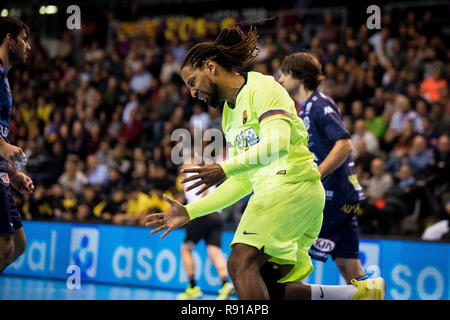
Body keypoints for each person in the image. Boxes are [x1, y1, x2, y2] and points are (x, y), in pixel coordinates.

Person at [146, 26, 384, 300]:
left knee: (239, 263)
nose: (192, 92)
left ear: (210, 67)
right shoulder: (227, 115)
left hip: (290, 185)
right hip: (284, 194)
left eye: (192, 81)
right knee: (271, 285)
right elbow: (243, 180)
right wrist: (190, 212)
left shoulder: (263, 87)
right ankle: (357, 295)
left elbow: (277, 144)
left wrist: (224, 167)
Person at [278, 52, 374, 284]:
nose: (280, 80)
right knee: (348, 265)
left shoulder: (320, 104)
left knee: (286, 260)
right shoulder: (305, 108)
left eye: (285, 74)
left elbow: (344, 144)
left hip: (330, 197)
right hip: (341, 196)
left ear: (299, 76)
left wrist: (315, 175)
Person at [0, 17, 34, 273]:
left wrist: (13, 174)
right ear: (9, 40)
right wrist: (3, 147)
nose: (28, 46)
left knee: (19, 244)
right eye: (23, 39)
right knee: (4, 245)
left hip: (1, 171)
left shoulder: (4, 77)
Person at [177, 156, 234, 300]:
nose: (182, 165)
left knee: (185, 249)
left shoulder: (191, 170)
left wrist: (201, 204)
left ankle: (192, 288)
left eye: (185, 161)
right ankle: (225, 285)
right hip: (216, 214)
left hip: (202, 213)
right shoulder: (205, 171)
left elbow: (203, 189)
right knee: (214, 250)